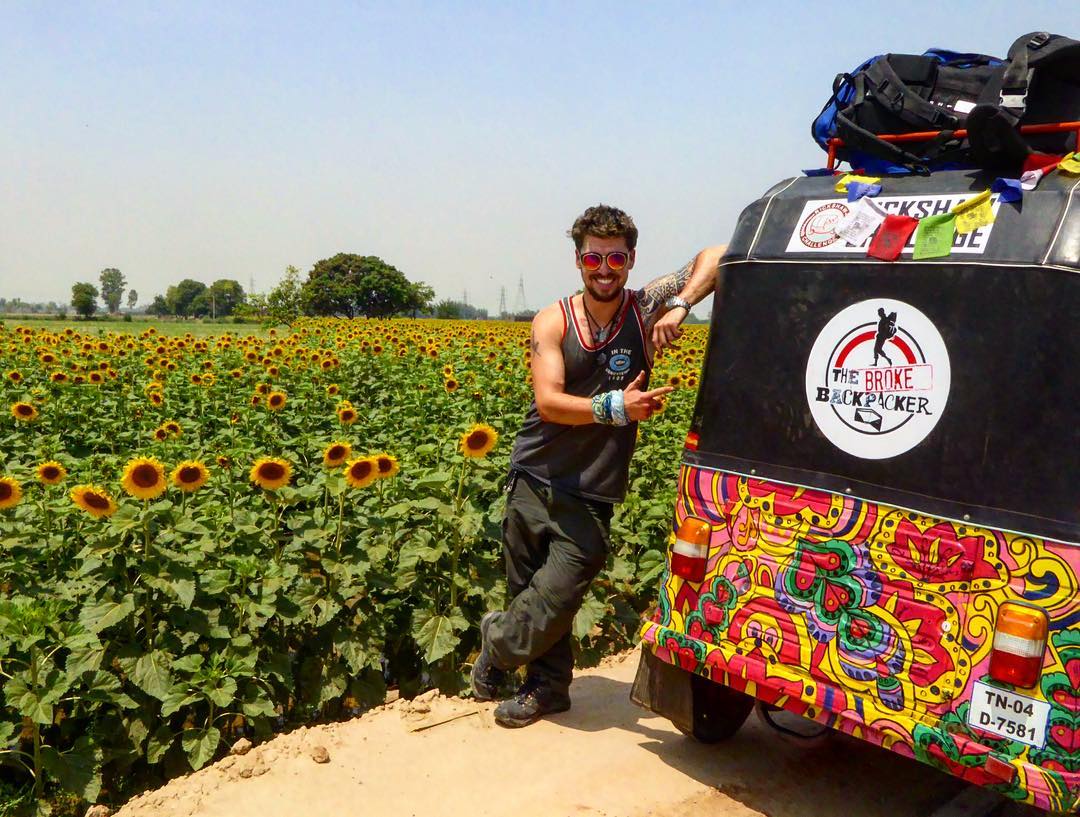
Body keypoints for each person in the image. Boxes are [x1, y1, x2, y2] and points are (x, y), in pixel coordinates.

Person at [471, 203, 726, 727]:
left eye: (615, 258)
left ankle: (497, 643)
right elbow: (549, 402)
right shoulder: (554, 320)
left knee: (560, 590)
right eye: (594, 258)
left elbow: (718, 256)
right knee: (531, 594)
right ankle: (547, 689)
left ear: (630, 260)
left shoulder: (645, 308)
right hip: (535, 474)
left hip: (592, 490)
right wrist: (616, 408)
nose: (604, 269)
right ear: (578, 261)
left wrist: (679, 304)